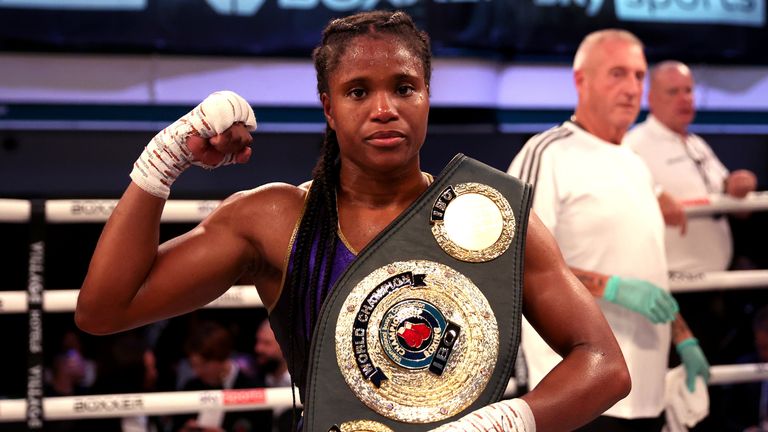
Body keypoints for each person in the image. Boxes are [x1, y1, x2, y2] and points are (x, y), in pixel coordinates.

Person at [75, 10, 629, 431]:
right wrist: (162, 161)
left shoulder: (491, 215)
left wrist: (503, 423)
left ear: (427, 97)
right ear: (328, 107)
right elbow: (105, 309)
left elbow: (605, 366)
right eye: (358, 91)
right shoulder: (274, 219)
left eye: (404, 87)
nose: (383, 108)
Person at [507, 30, 709, 432]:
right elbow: (511, 258)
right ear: (581, 80)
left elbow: (645, 266)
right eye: (617, 74)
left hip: (643, 389)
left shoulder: (635, 164)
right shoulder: (548, 152)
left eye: (638, 76)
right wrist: (612, 287)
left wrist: (682, 336)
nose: (632, 88)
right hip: (574, 386)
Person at [623, 60, 758, 273]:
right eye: (673, 92)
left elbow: (731, 201)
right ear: (651, 99)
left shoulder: (697, 143)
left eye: (688, 90)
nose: (684, 99)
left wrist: (736, 186)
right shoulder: (634, 145)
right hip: (671, 283)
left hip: (715, 278)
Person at [172, 320, 271, 432]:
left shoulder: (253, 390)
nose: (198, 371)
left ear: (221, 358)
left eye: (203, 365)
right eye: (193, 365)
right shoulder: (191, 387)